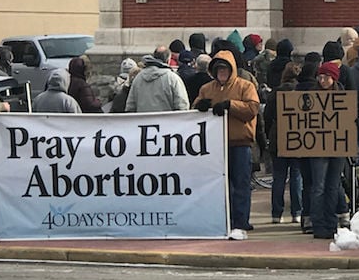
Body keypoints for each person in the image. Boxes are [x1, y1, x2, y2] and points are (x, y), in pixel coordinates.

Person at [193, 50, 260, 234]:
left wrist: (231, 105)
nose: (221, 73)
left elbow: (252, 109)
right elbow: (194, 110)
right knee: (219, 185)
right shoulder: (207, 89)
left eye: (224, 69)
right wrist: (199, 106)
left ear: (231, 70)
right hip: (216, 145)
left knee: (241, 184)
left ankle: (241, 221)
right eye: (218, 70)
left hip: (240, 143)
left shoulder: (245, 86)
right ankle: (223, 219)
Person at [306, 62, 346, 239]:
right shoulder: (311, 96)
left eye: (326, 77)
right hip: (318, 147)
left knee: (333, 185)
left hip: (338, 146)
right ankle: (318, 224)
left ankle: (331, 222)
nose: (322, 80)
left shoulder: (343, 96)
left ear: (334, 78)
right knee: (319, 186)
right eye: (320, 77)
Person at [264, 61, 304, 224]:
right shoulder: (301, 91)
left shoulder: (275, 92)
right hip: (297, 136)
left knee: (278, 177)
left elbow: (267, 116)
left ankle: (276, 213)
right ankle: (296, 212)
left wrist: (268, 134)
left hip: (278, 135)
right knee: (296, 176)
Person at [126, 46, 190, 113]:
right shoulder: (173, 79)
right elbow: (182, 106)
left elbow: (130, 107)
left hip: (143, 122)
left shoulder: (138, 78)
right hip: (167, 122)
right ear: (168, 60)